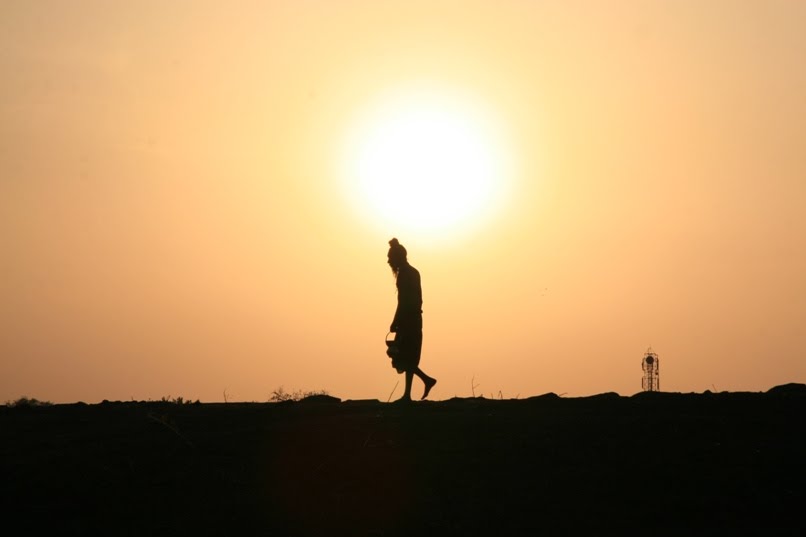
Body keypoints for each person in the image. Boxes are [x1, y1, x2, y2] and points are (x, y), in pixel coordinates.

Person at [387, 238, 437, 401]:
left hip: (408, 320)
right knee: (410, 355)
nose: (388, 261)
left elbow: (402, 301)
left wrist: (395, 321)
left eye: (390, 258)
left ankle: (426, 380)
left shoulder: (403, 275)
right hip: (416, 318)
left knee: (403, 356)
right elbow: (419, 298)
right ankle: (408, 394)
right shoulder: (414, 272)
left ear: (397, 258)